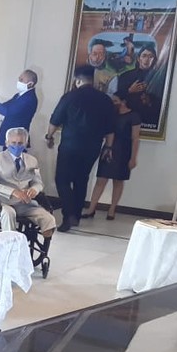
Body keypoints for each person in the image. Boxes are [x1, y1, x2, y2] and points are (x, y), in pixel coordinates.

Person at [46, 65, 116, 232]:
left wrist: (49, 137)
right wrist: (108, 147)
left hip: (70, 145)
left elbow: (55, 120)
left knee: (62, 180)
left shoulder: (70, 97)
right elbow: (110, 129)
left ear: (77, 80)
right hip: (92, 147)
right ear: (93, 79)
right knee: (81, 179)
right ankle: (76, 215)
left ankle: (68, 214)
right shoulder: (105, 100)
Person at [0, 127, 56, 236]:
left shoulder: (32, 160)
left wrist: (34, 190)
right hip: (2, 202)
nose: (16, 146)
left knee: (48, 219)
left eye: (20, 143)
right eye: (13, 142)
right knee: (8, 214)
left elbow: (38, 182)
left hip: (25, 203)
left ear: (26, 143)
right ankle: (11, 246)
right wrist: (12, 191)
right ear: (7, 143)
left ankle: (43, 250)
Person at [83, 93, 141, 220]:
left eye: (115, 100)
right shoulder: (111, 114)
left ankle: (112, 210)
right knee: (101, 180)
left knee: (118, 181)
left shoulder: (133, 116)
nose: (113, 103)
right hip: (108, 149)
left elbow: (135, 139)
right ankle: (91, 209)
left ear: (124, 101)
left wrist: (133, 158)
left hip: (124, 151)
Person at [0, 70, 39, 148]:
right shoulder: (19, 95)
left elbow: (7, 111)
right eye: (19, 79)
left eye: (21, 80)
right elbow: (4, 106)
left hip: (17, 140)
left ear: (30, 84)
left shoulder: (29, 98)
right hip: (10, 137)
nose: (19, 82)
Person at [111, 46, 162, 126]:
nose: (147, 59)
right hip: (128, 119)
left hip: (150, 120)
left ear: (154, 60)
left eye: (150, 56)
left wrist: (150, 100)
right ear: (138, 59)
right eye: (144, 56)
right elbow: (116, 97)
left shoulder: (159, 78)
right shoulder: (125, 76)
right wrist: (130, 90)